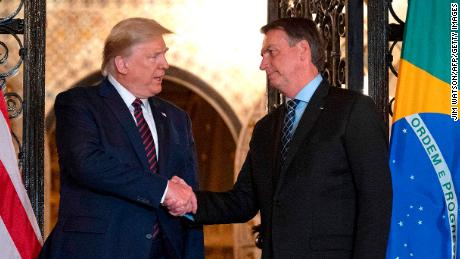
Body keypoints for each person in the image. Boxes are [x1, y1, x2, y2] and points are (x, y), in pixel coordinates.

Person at [167, 17, 392, 258]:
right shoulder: (266, 127)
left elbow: (376, 200)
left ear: (302, 51)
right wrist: (191, 202)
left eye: (271, 53)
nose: (263, 64)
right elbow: (242, 201)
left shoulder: (352, 110)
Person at [39, 17, 203, 259]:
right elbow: (87, 163)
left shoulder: (177, 118)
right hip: (100, 250)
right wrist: (164, 190)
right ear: (122, 64)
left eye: (164, 55)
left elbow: (188, 196)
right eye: (154, 56)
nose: (165, 64)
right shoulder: (79, 104)